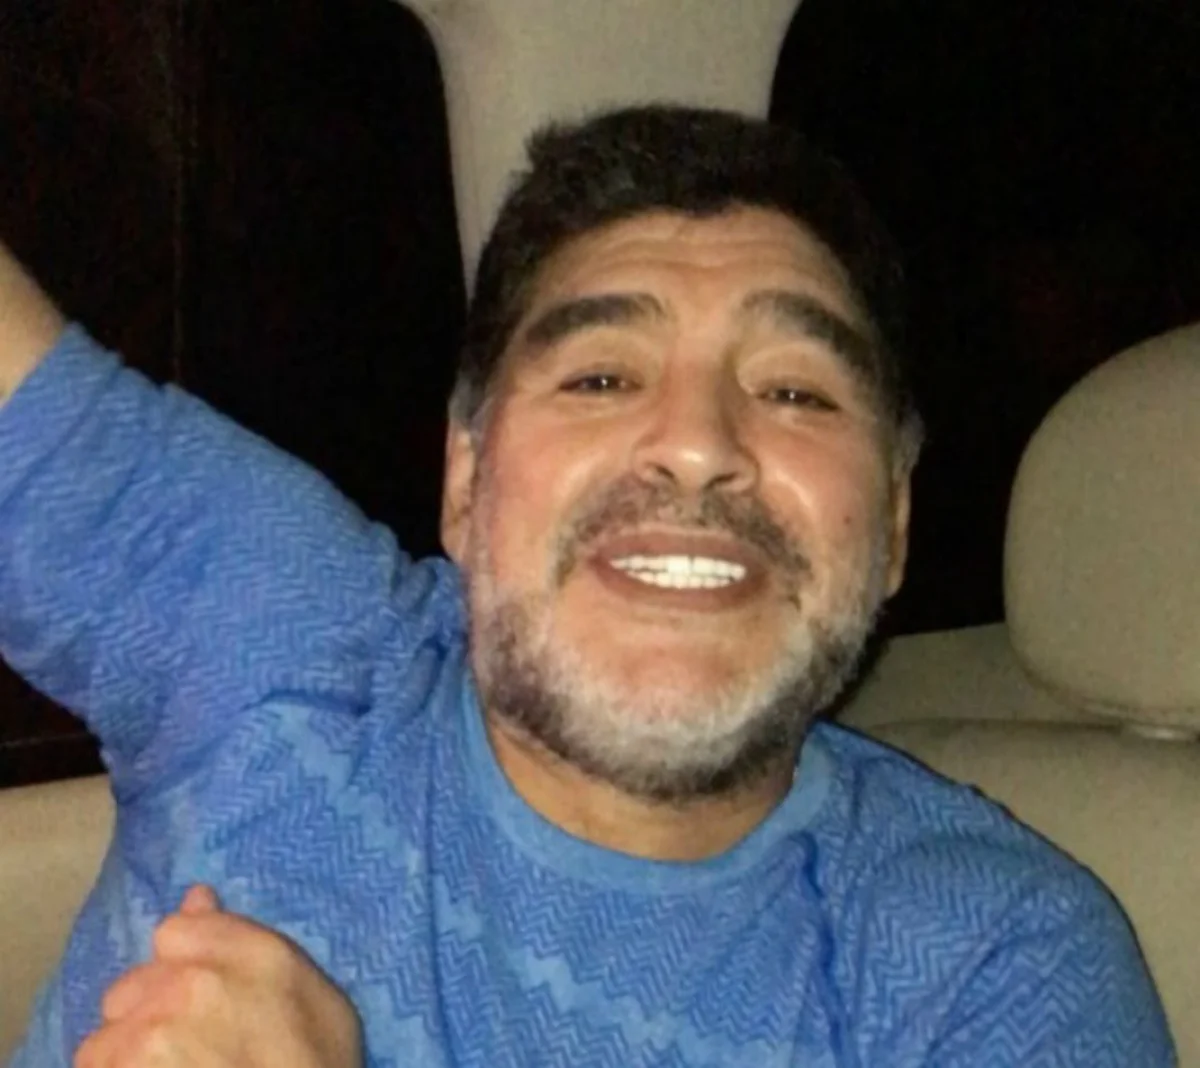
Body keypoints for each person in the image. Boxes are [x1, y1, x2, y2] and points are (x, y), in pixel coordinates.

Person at [0, 106, 1173, 1068]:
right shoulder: (290, 637)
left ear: (896, 528)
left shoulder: (996, 966)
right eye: (602, 377)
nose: (697, 444)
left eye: (795, 393)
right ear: (467, 480)